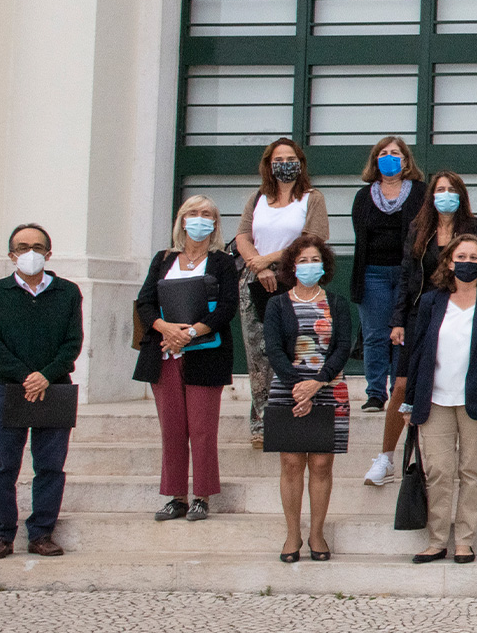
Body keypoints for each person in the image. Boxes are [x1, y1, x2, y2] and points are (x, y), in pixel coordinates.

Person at [364, 171, 477, 488]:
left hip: (463, 317)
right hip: (420, 317)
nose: (446, 194)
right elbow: (406, 277)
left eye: (452, 189)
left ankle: (449, 462)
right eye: (440, 189)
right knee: (401, 385)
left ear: (462, 195)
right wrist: (397, 319)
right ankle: (386, 458)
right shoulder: (418, 229)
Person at [401, 233, 477, 563]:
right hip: (434, 398)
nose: (466, 263)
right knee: (438, 470)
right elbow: (416, 352)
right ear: (449, 262)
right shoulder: (431, 301)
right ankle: (437, 539)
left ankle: (464, 539)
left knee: (471, 471)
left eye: (473, 258)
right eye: (460, 257)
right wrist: (408, 401)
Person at [133, 197, 242, 522]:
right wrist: (165, 328)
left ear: (215, 223)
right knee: (172, 429)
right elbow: (145, 302)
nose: (200, 219)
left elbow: (227, 306)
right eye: (193, 214)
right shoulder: (164, 259)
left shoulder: (222, 261)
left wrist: (191, 332)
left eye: (207, 214)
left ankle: (201, 497)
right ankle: (176, 497)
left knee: (203, 429)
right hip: (165, 354)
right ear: (182, 220)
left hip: (206, 355)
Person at [0, 224, 82, 560]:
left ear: (48, 254)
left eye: (37, 247)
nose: (30, 253)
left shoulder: (67, 292)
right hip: (5, 388)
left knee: (51, 465)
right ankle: (0, 535)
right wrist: (28, 376)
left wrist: (46, 376)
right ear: (11, 255)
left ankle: (41, 533)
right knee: (3, 466)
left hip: (54, 388)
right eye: (22, 247)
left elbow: (72, 343)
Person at [262, 235, 353, 563]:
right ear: (292, 266)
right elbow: (272, 347)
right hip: (288, 388)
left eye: (315, 260)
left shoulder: (338, 303)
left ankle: (317, 532)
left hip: (329, 388)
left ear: (324, 265)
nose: (309, 266)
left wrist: (317, 383)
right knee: (290, 463)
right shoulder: (277, 304)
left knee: (321, 463)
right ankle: (292, 533)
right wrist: (298, 386)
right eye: (303, 260)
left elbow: (343, 347)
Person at [233, 138, 328, 448]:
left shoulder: (312, 199)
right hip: (255, 282)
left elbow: (314, 239)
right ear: (269, 165)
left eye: (290, 158)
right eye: (278, 158)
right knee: (259, 356)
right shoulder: (257, 198)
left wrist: (270, 259)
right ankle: (261, 423)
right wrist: (256, 265)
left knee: (294, 353)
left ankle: (293, 416)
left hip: (296, 281)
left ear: (299, 162)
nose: (284, 163)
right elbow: (243, 236)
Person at [349, 135, 426, 413]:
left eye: (395, 152)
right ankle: (375, 393)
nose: (389, 157)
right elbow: (360, 236)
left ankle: (399, 390)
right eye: (383, 153)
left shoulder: (420, 191)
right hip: (373, 275)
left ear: (405, 160)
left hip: (408, 275)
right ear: (375, 160)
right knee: (375, 335)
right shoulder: (363, 195)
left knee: (402, 334)